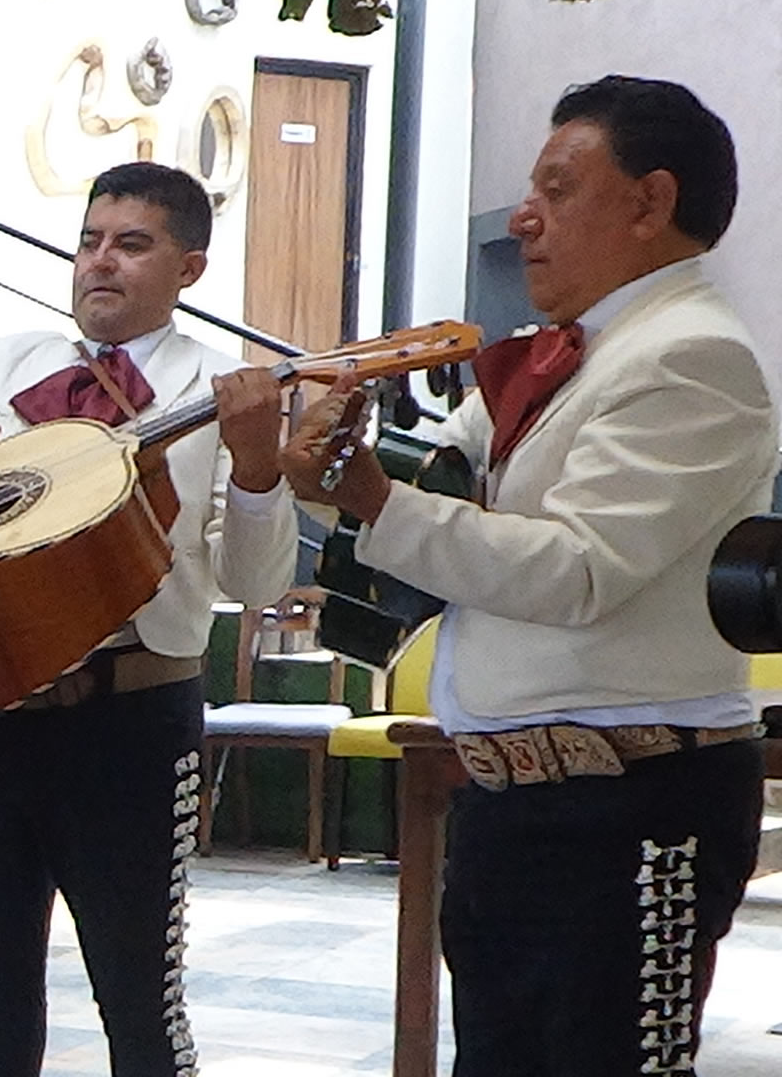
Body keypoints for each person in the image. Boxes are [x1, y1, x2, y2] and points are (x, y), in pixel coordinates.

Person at [281, 75, 778, 1076]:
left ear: (651, 203)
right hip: (516, 800)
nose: (523, 217)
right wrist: (309, 461)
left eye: (558, 187)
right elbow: (439, 497)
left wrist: (373, 498)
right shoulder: (566, 357)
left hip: (634, 803)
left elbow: (576, 568)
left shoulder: (692, 356)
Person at [0, 162, 298, 1077]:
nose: (101, 262)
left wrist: (258, 468)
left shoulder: (223, 389)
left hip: (131, 724)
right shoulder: (8, 360)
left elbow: (258, 584)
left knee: (141, 1006)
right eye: (91, 241)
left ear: (190, 269)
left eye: (132, 245)